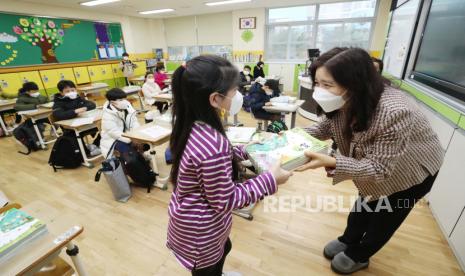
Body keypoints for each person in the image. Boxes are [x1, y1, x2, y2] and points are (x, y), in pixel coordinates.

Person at [297, 48, 444, 274]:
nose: (319, 91)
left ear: (354, 83)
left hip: (412, 171)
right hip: (372, 166)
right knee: (364, 204)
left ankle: (360, 255)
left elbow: (379, 169)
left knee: (385, 216)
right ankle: (349, 239)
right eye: (317, 83)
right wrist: (292, 137)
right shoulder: (346, 98)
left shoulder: (395, 111)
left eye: (327, 85)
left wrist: (334, 161)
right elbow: (327, 126)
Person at [167, 55, 292, 276]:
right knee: (209, 268)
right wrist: (270, 179)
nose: (239, 96)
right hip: (201, 232)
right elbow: (226, 200)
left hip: (197, 220)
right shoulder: (210, 144)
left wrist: (250, 149)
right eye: (235, 91)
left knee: (225, 247)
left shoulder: (193, 123)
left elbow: (215, 159)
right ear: (215, 98)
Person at [52, 80, 101, 156]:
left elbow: (92, 104)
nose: (71, 92)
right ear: (61, 93)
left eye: (72, 90)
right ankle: (86, 153)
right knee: (74, 136)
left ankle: (96, 145)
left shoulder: (78, 98)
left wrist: (85, 107)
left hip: (84, 122)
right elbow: (58, 115)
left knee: (104, 126)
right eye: (67, 91)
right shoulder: (58, 102)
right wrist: (74, 112)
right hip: (70, 128)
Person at [100, 88, 140, 157]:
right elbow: (113, 132)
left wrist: (137, 135)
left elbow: (134, 122)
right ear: (112, 102)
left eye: (124, 99)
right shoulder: (107, 114)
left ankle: (140, 158)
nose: (124, 101)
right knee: (128, 152)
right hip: (113, 139)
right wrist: (130, 140)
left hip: (127, 135)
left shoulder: (127, 107)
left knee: (145, 144)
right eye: (121, 100)